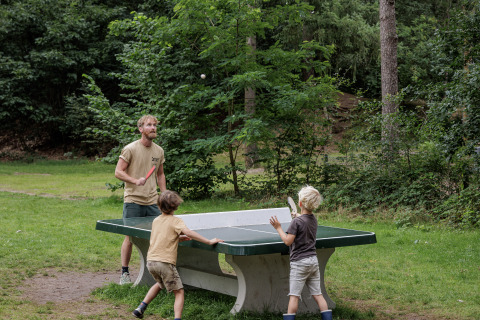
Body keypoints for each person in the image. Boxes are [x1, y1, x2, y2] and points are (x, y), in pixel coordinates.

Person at [132, 190, 224, 319]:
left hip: (151, 261)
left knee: (160, 284)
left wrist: (177, 238)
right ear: (176, 206)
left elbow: (160, 237)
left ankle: (140, 308)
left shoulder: (156, 220)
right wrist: (209, 241)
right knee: (179, 292)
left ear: (159, 206)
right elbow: (189, 232)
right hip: (164, 263)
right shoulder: (176, 221)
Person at [115, 115, 167, 284]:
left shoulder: (158, 151)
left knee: (157, 236)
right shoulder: (130, 149)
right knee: (130, 238)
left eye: (155, 125)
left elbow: (160, 174)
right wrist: (135, 180)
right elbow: (118, 172)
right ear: (141, 129)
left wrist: (164, 194)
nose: (153, 128)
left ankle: (156, 271)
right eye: (149, 125)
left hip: (152, 201)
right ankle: (124, 273)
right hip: (133, 200)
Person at [269, 186, 333, 320]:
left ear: (300, 203)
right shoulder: (313, 219)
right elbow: (305, 219)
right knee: (318, 294)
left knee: (294, 296)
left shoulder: (295, 223)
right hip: (313, 262)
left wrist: (278, 228)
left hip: (299, 263)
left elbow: (287, 241)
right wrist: (297, 215)